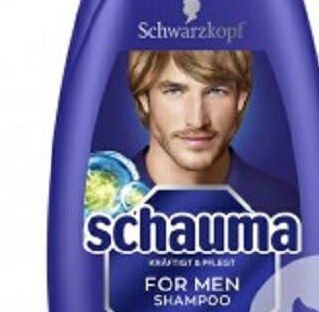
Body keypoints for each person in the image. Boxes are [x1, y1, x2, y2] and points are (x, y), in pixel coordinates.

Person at [127, 49, 298, 214]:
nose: (197, 121)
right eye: (174, 91)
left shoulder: (287, 208)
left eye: (216, 91)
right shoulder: (110, 209)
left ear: (241, 98)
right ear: (144, 99)